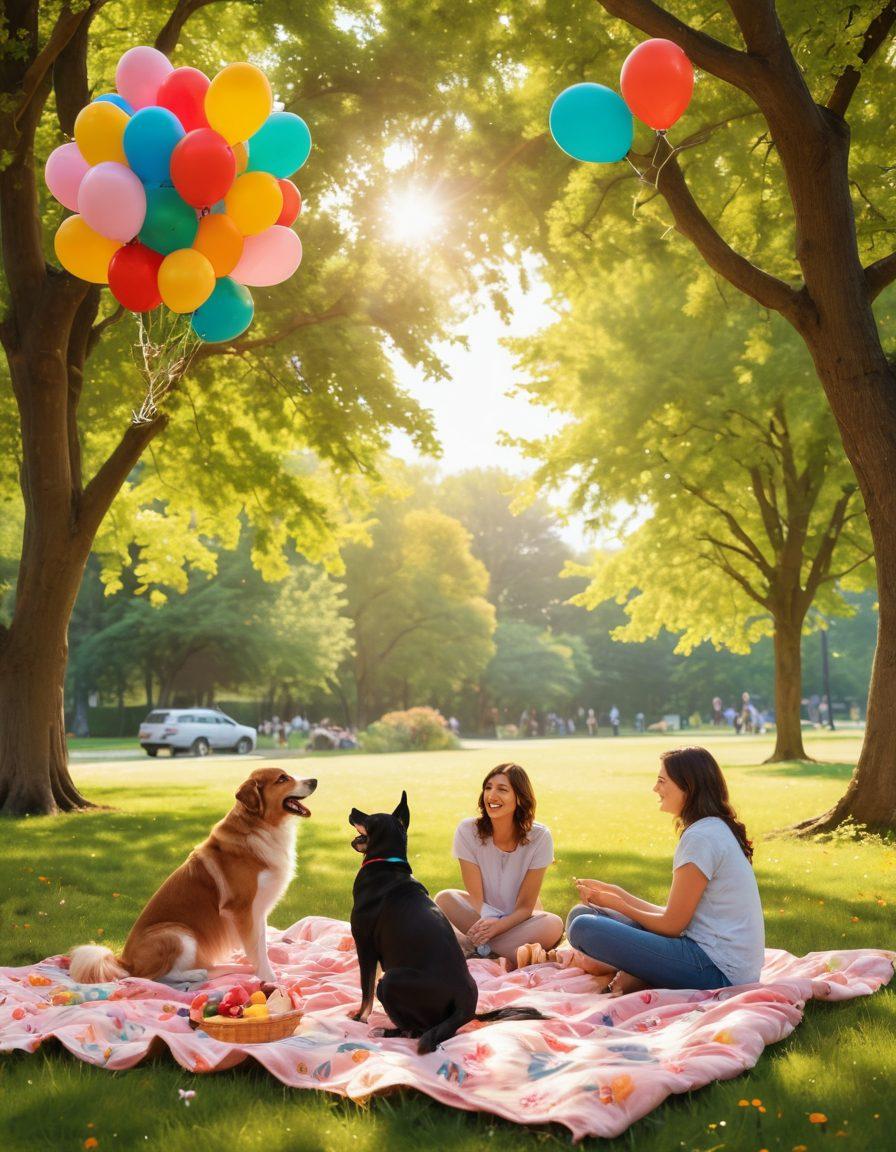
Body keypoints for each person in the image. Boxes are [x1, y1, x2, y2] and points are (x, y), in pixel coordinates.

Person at [525, 747, 764, 993]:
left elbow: (672, 925)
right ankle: (640, 971)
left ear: (688, 787)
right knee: (579, 914)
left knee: (583, 928)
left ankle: (641, 975)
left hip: (717, 971)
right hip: (707, 953)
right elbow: (677, 917)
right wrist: (616, 894)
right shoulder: (712, 828)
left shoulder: (701, 838)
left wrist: (618, 904)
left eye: (662, 781)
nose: (655, 789)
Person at [435, 763, 563, 969]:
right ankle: (493, 953)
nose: (491, 796)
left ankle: (470, 950)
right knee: (444, 898)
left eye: (502, 789)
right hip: (481, 915)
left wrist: (500, 926)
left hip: (519, 922)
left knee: (553, 924)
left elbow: (525, 907)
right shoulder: (467, 830)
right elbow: (475, 897)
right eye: (488, 788)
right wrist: (488, 923)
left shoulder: (540, 837)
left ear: (519, 798)